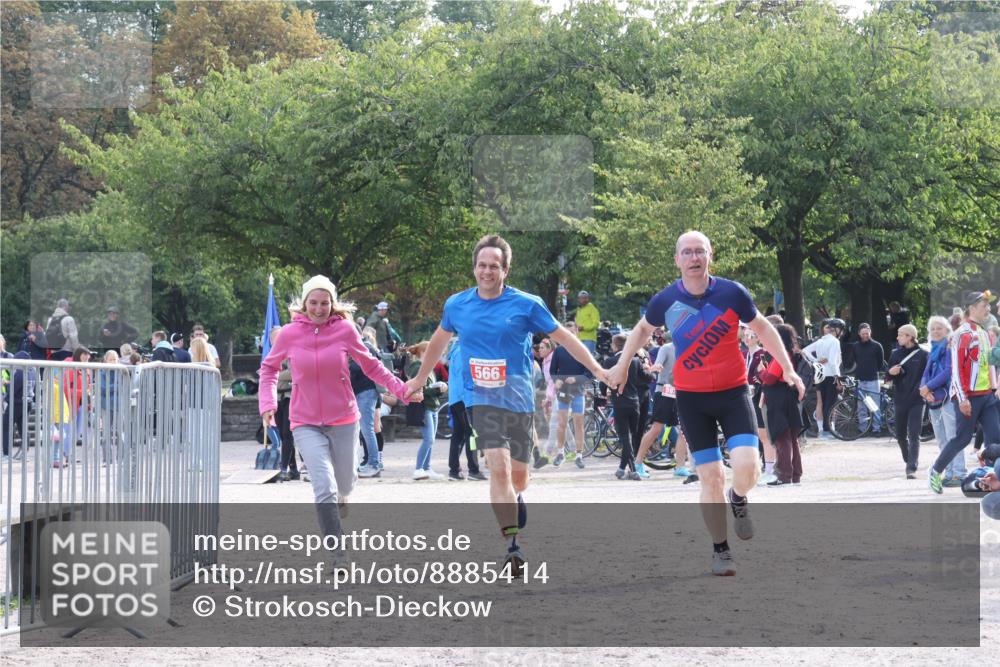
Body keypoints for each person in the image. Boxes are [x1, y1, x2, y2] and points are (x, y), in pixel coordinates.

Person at [404, 234, 608, 574]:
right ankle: (512, 546)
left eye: (494, 266)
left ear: (506, 270)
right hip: (478, 395)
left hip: (516, 396)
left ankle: (516, 495)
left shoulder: (527, 304)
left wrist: (598, 369)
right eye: (482, 265)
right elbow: (438, 341)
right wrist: (419, 378)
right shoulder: (457, 305)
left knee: (519, 476)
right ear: (474, 268)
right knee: (496, 466)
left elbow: (565, 338)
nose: (487, 271)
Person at [606, 231, 804, 576]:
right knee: (709, 476)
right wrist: (621, 366)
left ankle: (739, 498)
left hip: (732, 393)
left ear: (710, 256)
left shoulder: (732, 292)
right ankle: (721, 549)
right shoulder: (665, 300)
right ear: (677, 259)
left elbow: (765, 328)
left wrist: (787, 368)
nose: (694, 258)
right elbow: (640, 331)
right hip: (691, 398)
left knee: (747, 466)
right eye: (687, 252)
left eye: (700, 251)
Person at [259, 276, 415, 565]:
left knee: (345, 484)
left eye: (325, 302)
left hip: (343, 417)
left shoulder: (344, 330)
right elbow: (268, 369)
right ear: (305, 304)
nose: (319, 308)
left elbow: (371, 365)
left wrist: (402, 390)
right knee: (323, 485)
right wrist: (267, 403)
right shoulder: (290, 334)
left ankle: (343, 498)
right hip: (304, 420)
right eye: (313, 303)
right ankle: (337, 553)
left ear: (333, 304)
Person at [930, 290, 1000, 493]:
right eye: (984, 305)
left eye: (988, 305)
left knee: (995, 440)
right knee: (961, 439)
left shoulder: (985, 333)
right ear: (972, 307)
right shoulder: (961, 333)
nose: (988, 308)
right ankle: (935, 471)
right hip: (968, 397)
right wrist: (962, 398)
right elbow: (956, 369)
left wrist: (994, 388)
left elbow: (988, 364)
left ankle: (990, 475)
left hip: (987, 395)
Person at [634, 332, 693, 479]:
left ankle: (680, 466)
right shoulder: (666, 348)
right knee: (656, 428)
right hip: (665, 391)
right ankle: (637, 463)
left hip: (682, 392)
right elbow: (658, 364)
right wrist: (656, 367)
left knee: (683, 431)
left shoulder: (689, 349)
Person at [602, 333, 654, 480]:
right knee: (631, 436)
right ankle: (622, 468)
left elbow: (602, 383)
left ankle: (632, 469)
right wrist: (651, 370)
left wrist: (604, 393)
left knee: (625, 437)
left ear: (615, 345)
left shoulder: (610, 361)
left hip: (619, 403)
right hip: (635, 403)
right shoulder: (636, 361)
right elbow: (648, 378)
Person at [920, 316, 964, 486]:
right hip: (933, 398)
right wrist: (924, 389)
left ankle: (959, 473)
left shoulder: (950, 347)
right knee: (941, 439)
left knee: (953, 437)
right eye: (932, 329)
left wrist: (928, 387)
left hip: (948, 396)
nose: (936, 331)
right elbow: (926, 372)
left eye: (939, 328)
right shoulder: (933, 349)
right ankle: (949, 472)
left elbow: (949, 371)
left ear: (947, 330)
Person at [760, 324, 804, 486]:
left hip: (779, 399)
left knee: (782, 437)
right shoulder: (791, 354)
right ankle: (795, 474)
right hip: (788, 397)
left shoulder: (782, 355)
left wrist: (760, 371)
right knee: (792, 439)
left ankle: (784, 475)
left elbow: (770, 378)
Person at [542, 322, 590, 469]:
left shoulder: (583, 350)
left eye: (572, 332)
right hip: (563, 391)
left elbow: (589, 373)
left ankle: (579, 455)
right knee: (561, 423)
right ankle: (561, 453)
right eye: (567, 332)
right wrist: (557, 380)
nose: (570, 335)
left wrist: (576, 379)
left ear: (577, 333)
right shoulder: (559, 351)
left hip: (578, 391)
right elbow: (553, 372)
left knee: (578, 424)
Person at [886, 324, 928, 479]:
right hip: (900, 398)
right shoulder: (895, 354)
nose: (897, 337)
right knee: (900, 434)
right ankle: (908, 458)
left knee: (914, 434)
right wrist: (891, 372)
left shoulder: (923, 355)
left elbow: (928, 376)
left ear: (910, 336)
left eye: (900, 334)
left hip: (917, 400)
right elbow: (887, 377)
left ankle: (911, 468)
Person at [406, 341, 448, 480]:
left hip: (433, 406)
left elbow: (430, 388)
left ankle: (427, 468)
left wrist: (440, 388)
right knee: (428, 439)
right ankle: (418, 468)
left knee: (431, 440)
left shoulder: (428, 368)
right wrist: (436, 388)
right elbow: (417, 387)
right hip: (424, 407)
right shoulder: (417, 366)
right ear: (423, 352)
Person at [447, 339, 486, 481]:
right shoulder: (463, 352)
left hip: (455, 398)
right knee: (471, 435)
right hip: (465, 398)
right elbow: (465, 376)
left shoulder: (454, 351)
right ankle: (473, 470)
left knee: (458, 435)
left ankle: (454, 470)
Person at [801, 319, 844, 439]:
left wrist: (815, 361)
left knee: (822, 402)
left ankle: (824, 431)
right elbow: (833, 363)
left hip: (819, 375)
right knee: (830, 404)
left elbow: (804, 351)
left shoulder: (821, 341)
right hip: (831, 375)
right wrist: (839, 380)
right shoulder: (834, 341)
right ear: (837, 330)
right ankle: (827, 430)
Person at [353, 326, 386, 479]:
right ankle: (369, 461)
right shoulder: (360, 347)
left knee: (367, 428)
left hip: (366, 391)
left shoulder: (364, 347)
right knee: (364, 428)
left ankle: (373, 463)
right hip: (361, 391)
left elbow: (358, 367)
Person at [852, 323, 887, 435]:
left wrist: (872, 370)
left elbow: (880, 363)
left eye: (867, 333)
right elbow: (855, 360)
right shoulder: (855, 346)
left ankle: (876, 428)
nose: (865, 335)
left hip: (873, 378)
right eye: (863, 334)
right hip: (860, 379)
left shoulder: (877, 346)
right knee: (861, 406)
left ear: (870, 332)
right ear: (859, 334)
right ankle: (863, 429)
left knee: (874, 405)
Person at [574, 291, 600, 356]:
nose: (584, 299)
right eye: (581, 298)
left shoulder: (592, 309)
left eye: (585, 298)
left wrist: (584, 328)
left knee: (588, 359)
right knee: (579, 360)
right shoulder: (579, 309)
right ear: (578, 299)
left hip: (589, 339)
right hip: (579, 338)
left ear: (588, 299)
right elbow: (577, 322)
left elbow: (596, 324)